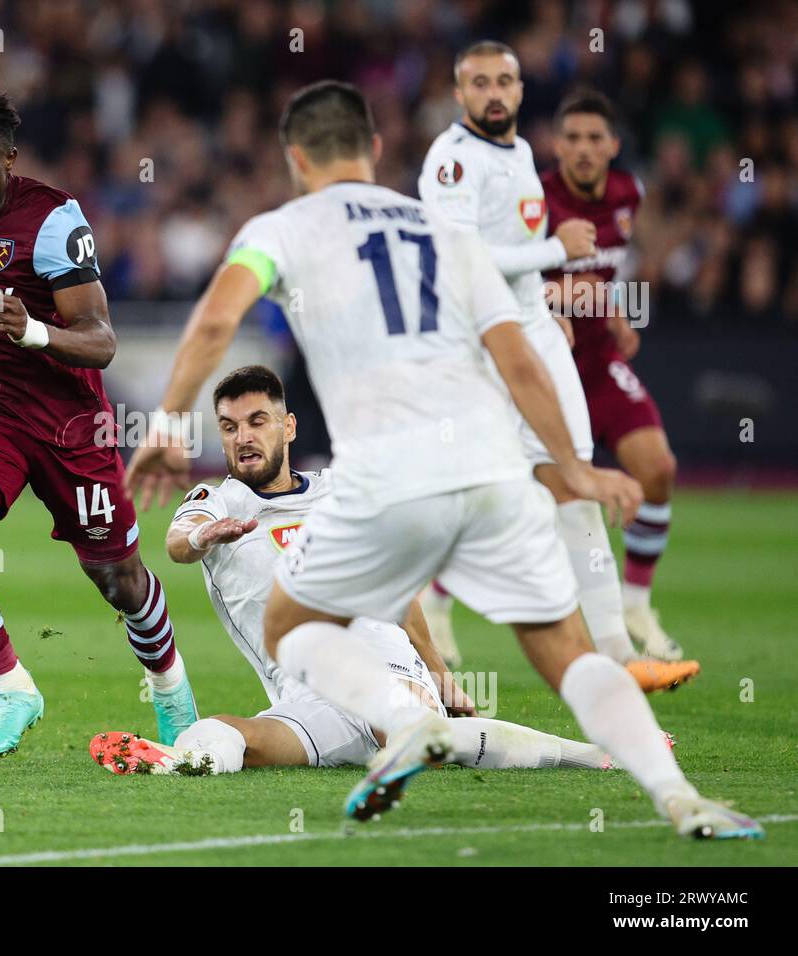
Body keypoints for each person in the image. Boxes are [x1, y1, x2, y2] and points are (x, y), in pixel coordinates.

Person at [125, 80, 759, 839]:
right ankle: (679, 794)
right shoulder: (446, 232)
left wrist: (166, 423)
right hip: (486, 462)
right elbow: (522, 355)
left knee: (292, 621)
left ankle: (405, 722)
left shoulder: (282, 228)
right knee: (567, 649)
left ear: (296, 158)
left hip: (387, 469)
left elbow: (217, 319)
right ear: (378, 149)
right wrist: (574, 465)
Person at [93, 365, 624, 778]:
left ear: (288, 425)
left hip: (387, 664)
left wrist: (440, 673)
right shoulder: (215, 499)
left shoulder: (340, 493)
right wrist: (203, 537)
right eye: (229, 428)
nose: (243, 438)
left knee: (398, 717)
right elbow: (177, 544)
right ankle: (184, 760)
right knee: (230, 735)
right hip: (307, 697)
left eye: (257, 422)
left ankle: (592, 752)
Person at [0, 85, 197, 755]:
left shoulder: (54, 221)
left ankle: (173, 692)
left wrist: (33, 331)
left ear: (9, 159)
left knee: (118, 580)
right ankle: (13, 688)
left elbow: (100, 339)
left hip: (69, 425)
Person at [415, 42, 697, 691]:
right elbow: (458, 260)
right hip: (479, 342)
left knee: (575, 484)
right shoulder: (454, 161)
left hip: (534, 331)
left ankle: (620, 654)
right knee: (476, 491)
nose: (493, 92)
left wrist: (544, 296)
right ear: (459, 94)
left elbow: (511, 254)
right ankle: (416, 638)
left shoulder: (515, 155)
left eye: (503, 81)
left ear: (519, 91)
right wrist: (551, 254)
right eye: (478, 81)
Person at [543, 88, 684, 661]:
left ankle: (635, 604)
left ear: (614, 146)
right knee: (522, 498)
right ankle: (443, 608)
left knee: (658, 468)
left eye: (594, 138)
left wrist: (617, 310)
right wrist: (554, 298)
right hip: (545, 365)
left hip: (598, 361)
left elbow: (611, 267)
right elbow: (498, 277)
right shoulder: (535, 199)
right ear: (557, 145)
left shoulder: (630, 193)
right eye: (572, 138)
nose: (582, 149)